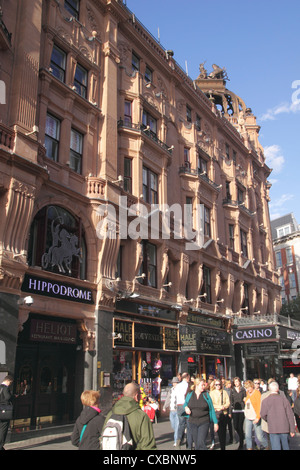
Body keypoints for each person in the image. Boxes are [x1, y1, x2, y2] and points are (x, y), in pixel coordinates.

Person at [103, 382, 156, 450]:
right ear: (136, 396)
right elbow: (148, 445)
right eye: (140, 395)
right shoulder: (141, 416)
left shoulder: (111, 414)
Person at [184, 378, 218, 450]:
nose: (203, 387)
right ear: (196, 385)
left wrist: (215, 422)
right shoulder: (190, 394)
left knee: (201, 442)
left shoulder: (206, 395)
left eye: (204, 385)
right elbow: (185, 404)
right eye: (202, 385)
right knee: (196, 444)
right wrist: (186, 408)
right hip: (192, 422)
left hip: (204, 421)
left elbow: (211, 409)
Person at [260, 381, 295, 450]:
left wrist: (269, 420)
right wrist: (292, 429)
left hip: (273, 428)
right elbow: (290, 415)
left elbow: (263, 414)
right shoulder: (284, 400)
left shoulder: (265, 401)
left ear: (269, 389)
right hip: (284, 427)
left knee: (276, 447)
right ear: (278, 389)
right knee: (285, 446)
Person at [244, 380, 269, 450]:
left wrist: (258, 417)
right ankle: (249, 448)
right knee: (247, 435)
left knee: (259, 436)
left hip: (255, 417)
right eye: (246, 388)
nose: (248, 390)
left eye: (249, 388)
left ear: (252, 386)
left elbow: (259, 406)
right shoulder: (248, 393)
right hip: (248, 417)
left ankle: (266, 446)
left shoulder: (257, 393)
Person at [210, 379, 230, 450]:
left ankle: (223, 447)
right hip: (216, 415)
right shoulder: (212, 393)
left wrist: (224, 407)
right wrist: (220, 407)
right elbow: (211, 404)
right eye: (216, 384)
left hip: (224, 413)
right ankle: (216, 443)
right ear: (214, 385)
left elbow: (228, 402)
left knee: (223, 432)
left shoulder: (224, 392)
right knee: (218, 431)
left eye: (219, 384)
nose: (218, 386)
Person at [174, 372, 190, 448]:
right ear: (187, 378)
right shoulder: (188, 385)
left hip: (179, 405)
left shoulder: (178, 386)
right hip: (187, 405)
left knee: (181, 424)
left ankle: (178, 441)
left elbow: (175, 395)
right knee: (189, 424)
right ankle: (188, 443)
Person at [163, 377, 180, 446]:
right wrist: (165, 406)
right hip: (171, 410)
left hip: (177, 410)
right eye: (173, 383)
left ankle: (176, 441)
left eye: (176, 382)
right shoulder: (171, 390)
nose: (174, 384)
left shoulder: (180, 390)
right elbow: (168, 399)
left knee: (177, 426)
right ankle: (180, 435)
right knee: (173, 425)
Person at [231, 377, 246, 450]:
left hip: (241, 410)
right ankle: (241, 435)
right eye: (235, 382)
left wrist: (245, 401)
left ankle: (241, 443)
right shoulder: (232, 390)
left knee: (240, 426)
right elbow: (231, 400)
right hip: (235, 410)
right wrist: (230, 410)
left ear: (239, 382)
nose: (236, 383)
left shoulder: (243, 390)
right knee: (235, 426)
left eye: (237, 382)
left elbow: (246, 398)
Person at [0, 375, 13, 451]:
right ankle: (0, 445)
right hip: (4, 411)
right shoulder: (5, 388)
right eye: (10, 383)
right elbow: (7, 398)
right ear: (8, 381)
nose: (10, 384)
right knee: (3, 429)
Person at [224, 379, 233, 444]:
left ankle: (231, 438)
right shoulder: (224, 391)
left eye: (230, 383)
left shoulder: (232, 390)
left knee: (230, 425)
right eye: (229, 383)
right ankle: (224, 438)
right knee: (224, 425)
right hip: (225, 409)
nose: (230, 385)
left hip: (230, 409)